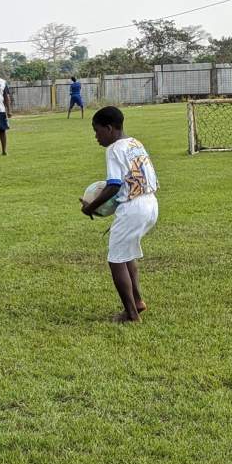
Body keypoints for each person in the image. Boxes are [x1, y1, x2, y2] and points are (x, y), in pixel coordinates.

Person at [81, 106, 159, 323]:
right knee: (126, 255)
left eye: (97, 131)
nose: (96, 136)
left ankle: (131, 314)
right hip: (151, 203)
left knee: (116, 260)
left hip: (133, 208)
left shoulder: (114, 149)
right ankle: (138, 302)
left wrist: (90, 207)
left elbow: (114, 185)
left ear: (109, 128)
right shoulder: (135, 143)